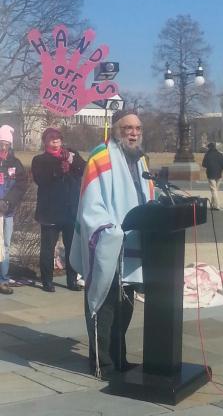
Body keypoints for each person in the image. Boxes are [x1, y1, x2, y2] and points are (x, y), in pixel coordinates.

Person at [69, 109, 155, 378]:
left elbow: (145, 196)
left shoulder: (141, 161)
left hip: (132, 245)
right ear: (116, 129)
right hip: (108, 243)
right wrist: (109, 231)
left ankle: (119, 357)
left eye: (138, 129)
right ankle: (102, 363)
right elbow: (90, 205)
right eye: (128, 127)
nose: (134, 133)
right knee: (103, 307)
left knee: (125, 306)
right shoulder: (100, 156)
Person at [31, 127, 86, 292]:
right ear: (45, 141)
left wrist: (71, 160)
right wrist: (57, 171)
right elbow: (40, 179)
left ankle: (72, 280)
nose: (55, 141)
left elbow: (85, 168)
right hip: (50, 212)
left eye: (57, 138)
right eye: (51, 138)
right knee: (48, 248)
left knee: (71, 248)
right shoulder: (39, 159)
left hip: (70, 210)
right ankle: (47, 280)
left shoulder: (72, 154)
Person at [0, 125, 27, 295]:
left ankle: (2, 279)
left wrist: (7, 202)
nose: (3, 147)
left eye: (6, 144)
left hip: (6, 213)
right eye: (0, 143)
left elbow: (21, 184)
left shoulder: (15, 164)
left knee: (5, 246)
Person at [202, 142, 223, 210]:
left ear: (209, 148)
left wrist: (209, 166)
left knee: (213, 190)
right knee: (215, 190)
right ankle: (213, 205)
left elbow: (204, 164)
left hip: (211, 174)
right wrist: (219, 169)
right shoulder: (220, 154)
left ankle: (217, 205)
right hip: (219, 174)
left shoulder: (207, 155)